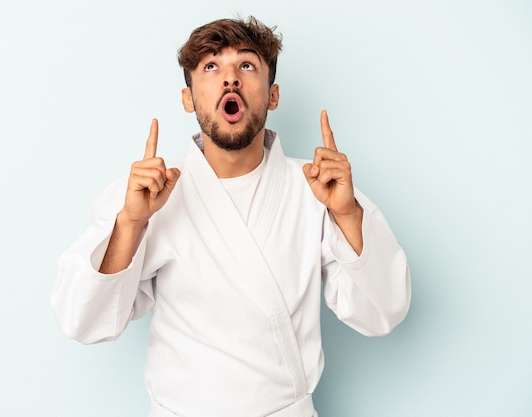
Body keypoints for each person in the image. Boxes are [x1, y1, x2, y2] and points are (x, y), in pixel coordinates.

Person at [51, 16, 411, 417]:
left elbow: (384, 311)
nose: (230, 79)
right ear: (188, 98)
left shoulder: (320, 189)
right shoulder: (147, 194)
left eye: (246, 65)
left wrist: (346, 213)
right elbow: (82, 320)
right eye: (210, 67)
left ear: (273, 95)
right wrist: (131, 224)